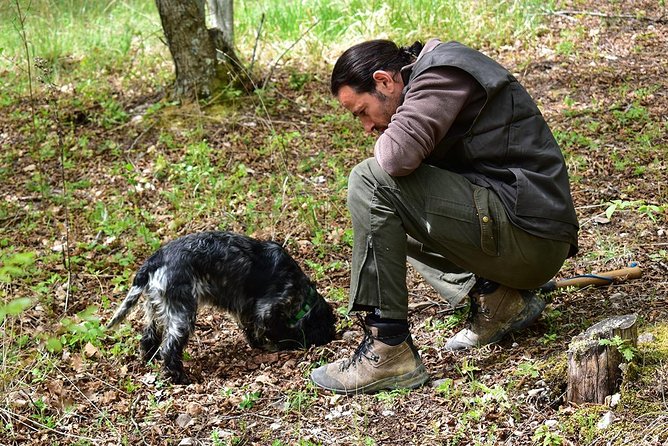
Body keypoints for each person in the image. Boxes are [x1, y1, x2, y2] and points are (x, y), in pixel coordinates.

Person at [310, 38, 579, 395]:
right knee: (385, 218)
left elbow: (394, 158)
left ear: (384, 81)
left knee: (369, 180)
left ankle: (387, 347)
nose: (366, 126)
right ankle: (497, 298)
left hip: (530, 235)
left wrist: (391, 132)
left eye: (361, 111)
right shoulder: (432, 75)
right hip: (521, 230)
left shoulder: (442, 73)